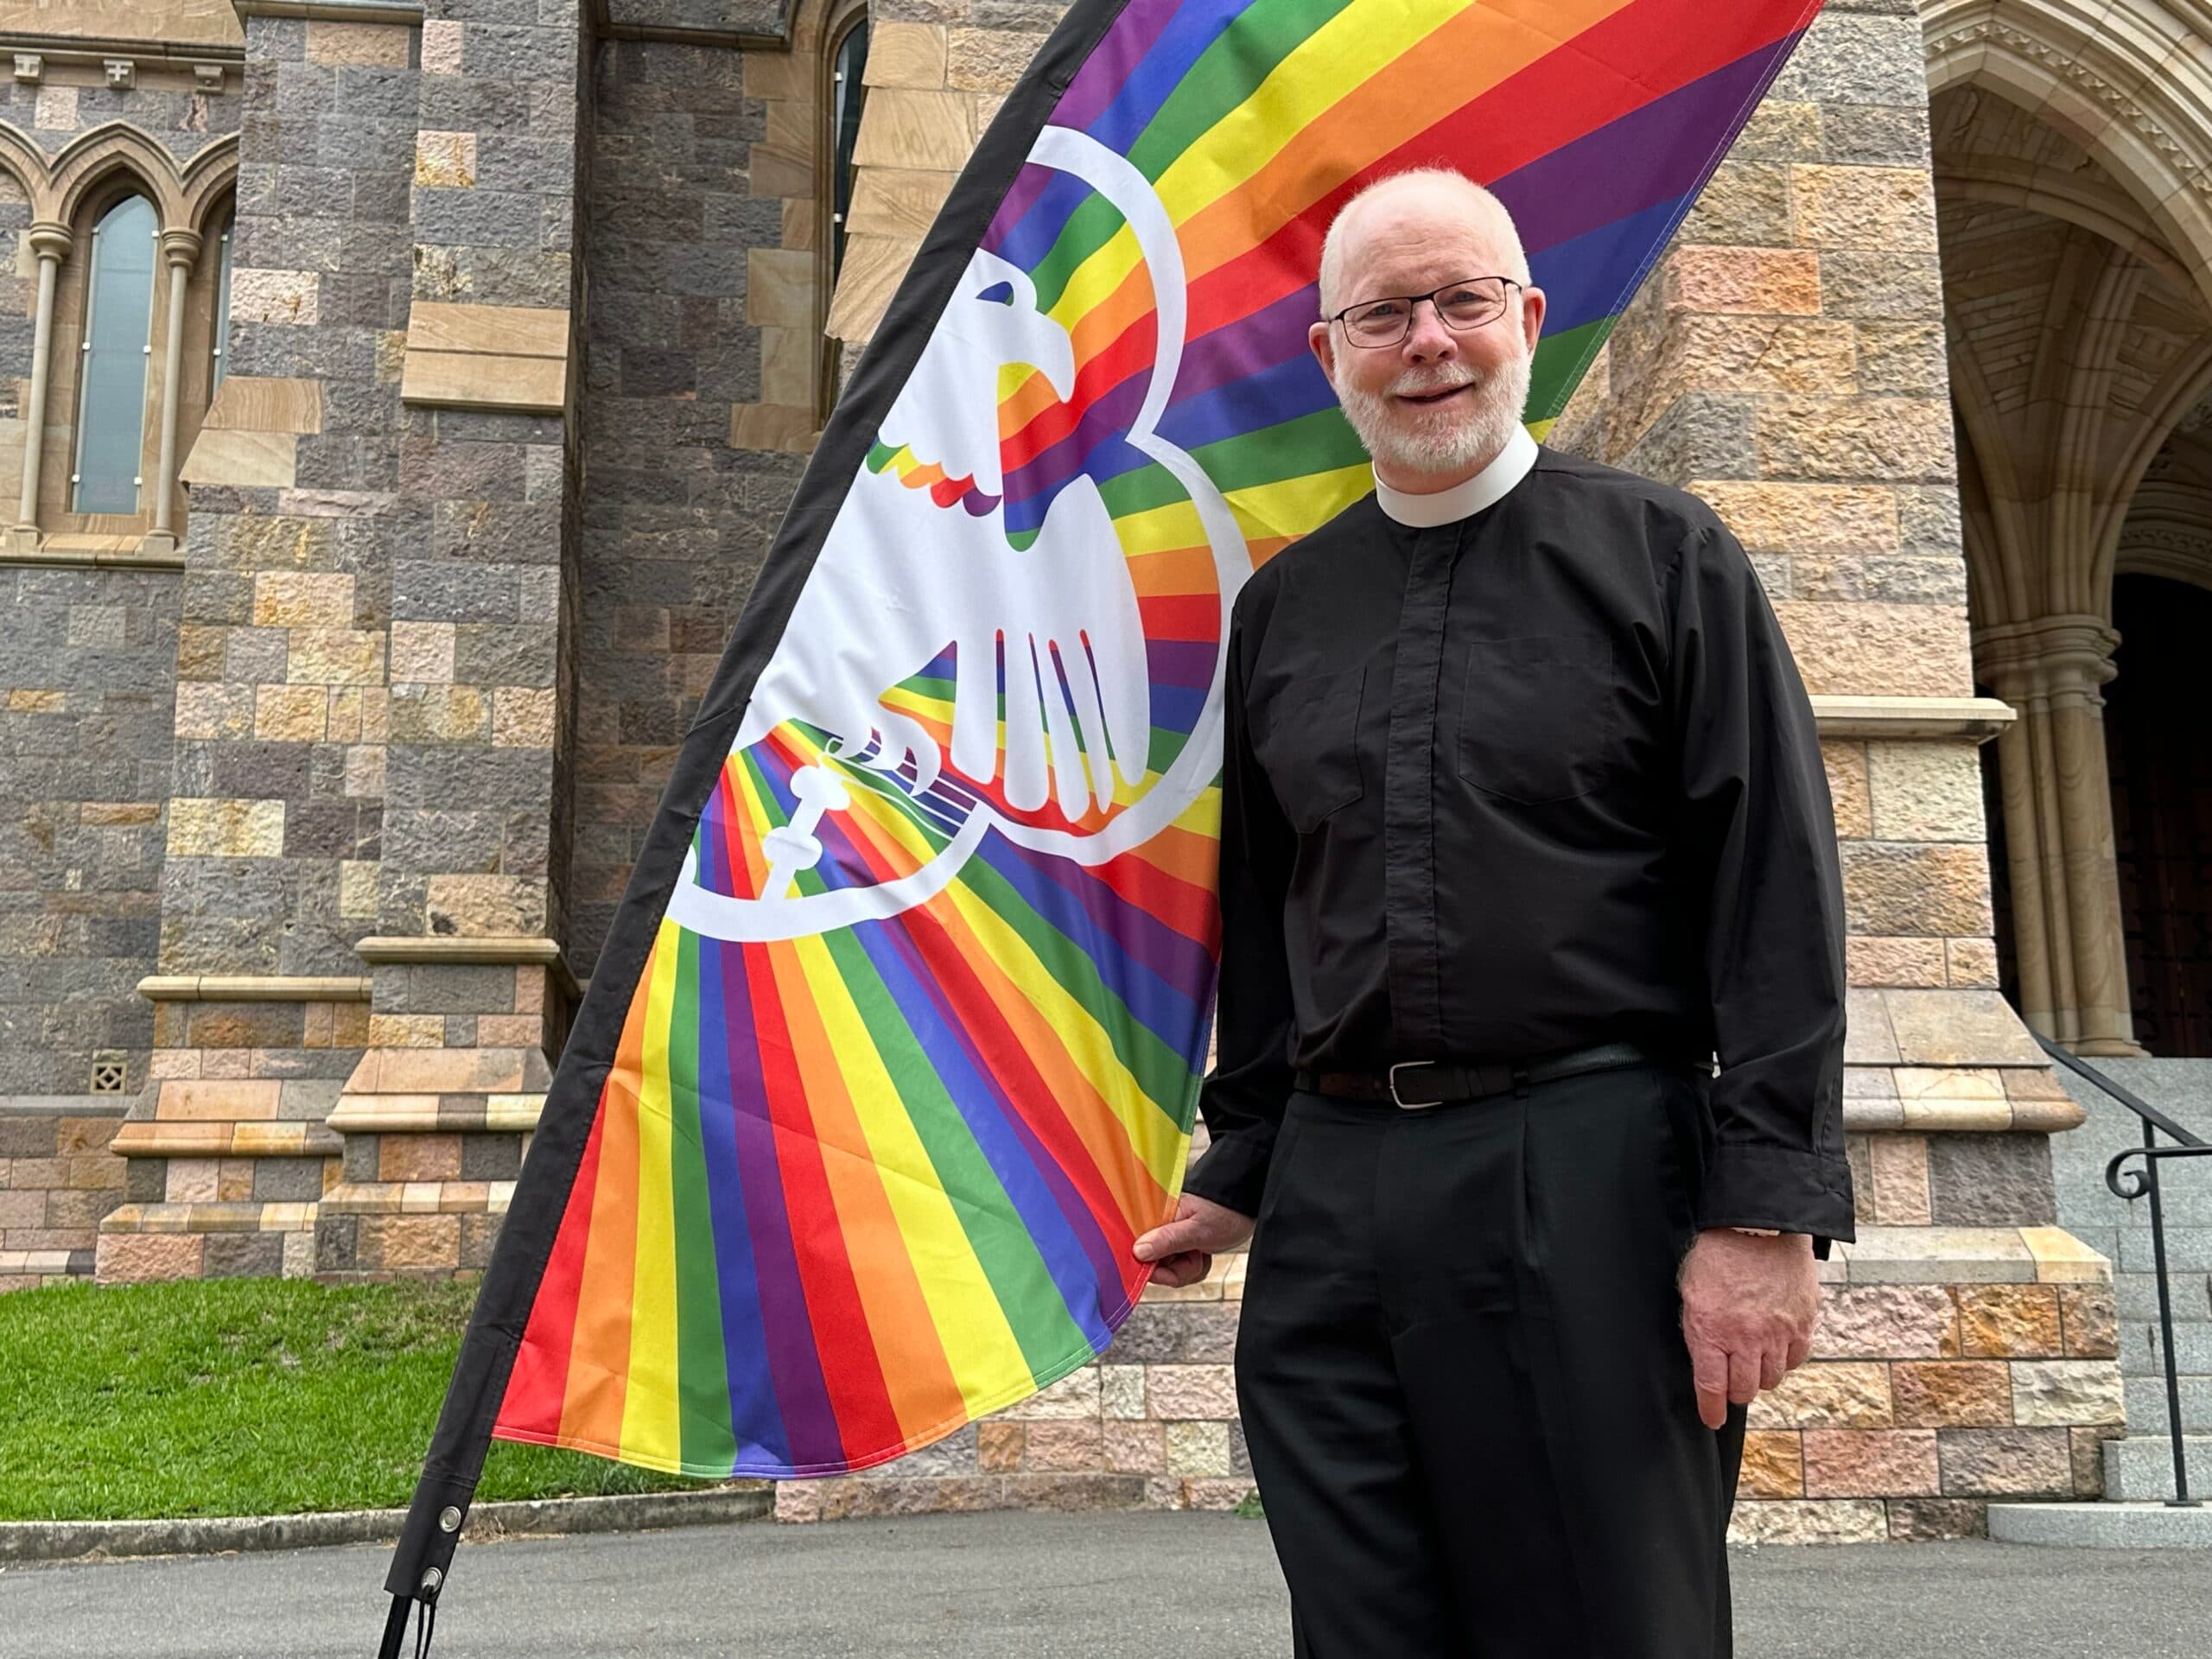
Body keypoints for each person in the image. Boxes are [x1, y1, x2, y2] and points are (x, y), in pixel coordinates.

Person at [1130, 168, 1855, 1658]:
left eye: (1461, 301)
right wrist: (1250, 1154)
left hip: (1588, 1172)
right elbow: (1274, 914)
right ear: (1328, 355)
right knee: (1363, 1629)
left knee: (1603, 1629)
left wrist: (1761, 1208)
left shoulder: (1667, 560)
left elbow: (1771, 892)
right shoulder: (1284, 610)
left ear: (1525, 320)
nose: (1428, 342)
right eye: (1383, 313)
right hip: (1334, 1200)